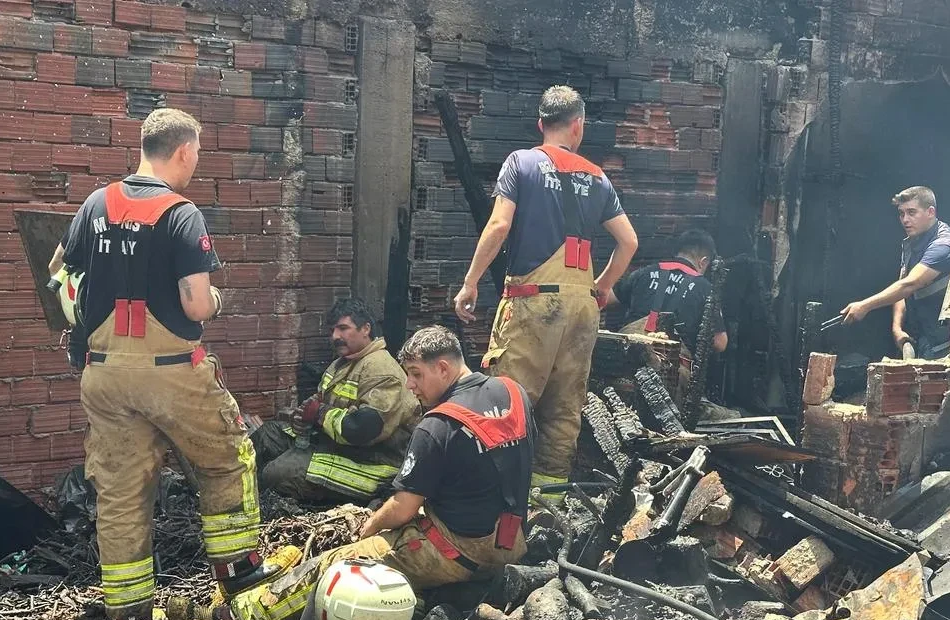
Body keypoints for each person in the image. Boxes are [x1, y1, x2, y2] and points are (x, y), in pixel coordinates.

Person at [47, 108, 276, 620]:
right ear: (181, 151)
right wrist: (216, 299)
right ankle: (241, 580)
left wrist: (82, 321)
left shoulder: (95, 203)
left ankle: (127, 616)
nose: (197, 163)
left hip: (103, 376)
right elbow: (195, 304)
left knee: (122, 490)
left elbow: (58, 270)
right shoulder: (181, 213)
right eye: (197, 153)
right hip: (171, 370)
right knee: (226, 458)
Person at [230, 326, 534, 620]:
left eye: (416, 374)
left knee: (334, 566)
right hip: (511, 542)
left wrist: (370, 528)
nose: (410, 385)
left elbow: (403, 509)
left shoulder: (437, 425)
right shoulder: (513, 392)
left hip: (457, 552)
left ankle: (243, 613)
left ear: (443, 368)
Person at [453, 85, 639, 499]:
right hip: (582, 307)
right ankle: (546, 508)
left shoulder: (522, 163)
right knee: (564, 408)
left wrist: (470, 282)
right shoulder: (598, 177)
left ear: (541, 124)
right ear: (579, 126)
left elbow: (499, 226)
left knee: (507, 401)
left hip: (534, 301)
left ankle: (493, 500)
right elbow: (629, 243)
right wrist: (602, 288)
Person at [249, 298, 419, 503]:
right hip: (337, 445)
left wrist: (320, 413)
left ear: (366, 329)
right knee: (266, 435)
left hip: (372, 461)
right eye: (332, 330)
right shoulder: (342, 364)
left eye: (343, 328)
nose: (335, 336)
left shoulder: (381, 370)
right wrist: (302, 416)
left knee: (276, 474)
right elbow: (320, 399)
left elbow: (362, 430)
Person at [840, 186, 950, 359]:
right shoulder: (913, 243)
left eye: (912, 212)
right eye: (901, 213)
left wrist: (865, 306)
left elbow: (910, 284)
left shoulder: (944, 246)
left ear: (931, 212)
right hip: (924, 340)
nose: (905, 219)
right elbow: (903, 289)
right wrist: (897, 329)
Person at [607, 229, 729, 399]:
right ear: (703, 261)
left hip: (624, 366)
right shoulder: (705, 288)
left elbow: (604, 299)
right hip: (671, 377)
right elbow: (720, 343)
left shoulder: (643, 273)